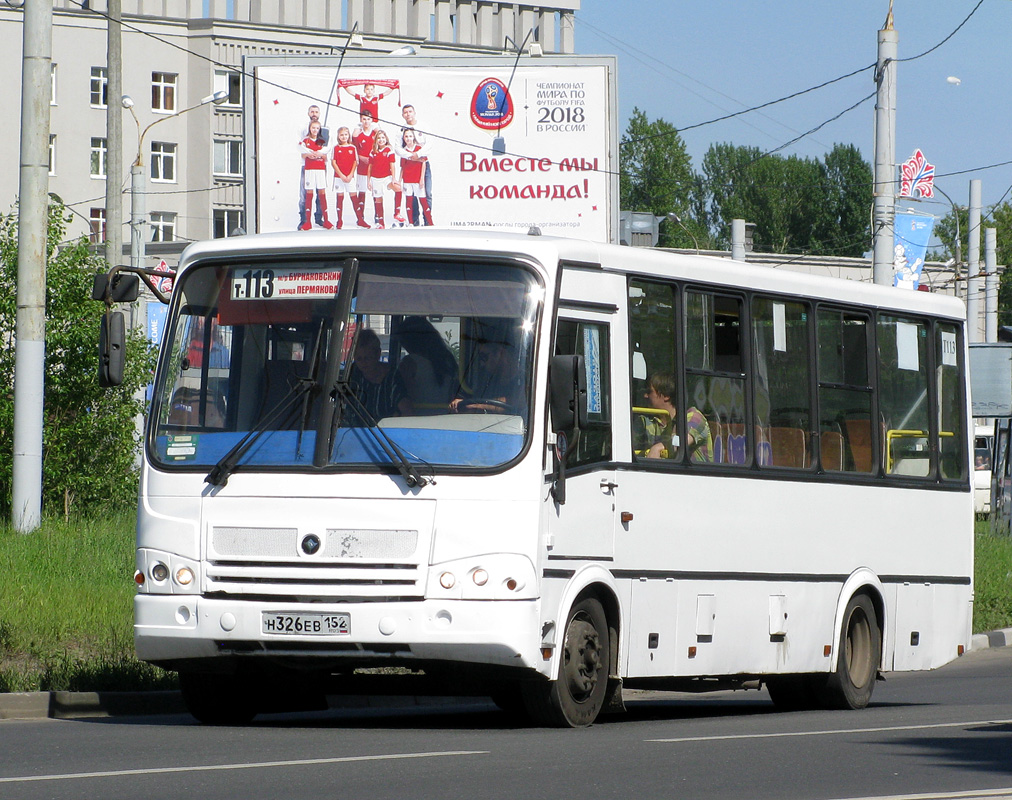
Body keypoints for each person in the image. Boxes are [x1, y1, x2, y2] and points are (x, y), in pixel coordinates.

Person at [394, 316, 457, 414]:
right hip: (445, 417)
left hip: (418, 418)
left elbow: (401, 395)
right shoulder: (448, 359)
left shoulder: (409, 362)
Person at [644, 372, 712, 462]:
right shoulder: (648, 421)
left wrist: (658, 448)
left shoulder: (694, 417)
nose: (645, 396)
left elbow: (680, 443)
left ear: (666, 396)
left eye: (649, 392)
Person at [347, 329, 412, 422]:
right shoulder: (353, 373)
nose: (363, 363)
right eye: (359, 359)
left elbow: (407, 412)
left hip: (384, 433)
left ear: (378, 354)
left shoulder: (392, 378)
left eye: (368, 358)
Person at [451, 338, 525, 415]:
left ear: (500, 353)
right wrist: (460, 406)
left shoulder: (527, 380)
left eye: (484, 357)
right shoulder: (485, 382)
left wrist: (475, 405)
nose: (482, 364)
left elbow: (517, 402)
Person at [397, 103, 432, 225]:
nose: (408, 114)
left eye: (410, 111)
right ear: (403, 115)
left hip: (423, 166)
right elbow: (398, 149)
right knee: (412, 197)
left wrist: (419, 153)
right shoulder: (400, 130)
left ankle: (428, 222)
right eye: (405, 112)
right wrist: (412, 156)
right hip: (409, 168)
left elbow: (430, 144)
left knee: (427, 193)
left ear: (414, 112)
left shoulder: (423, 126)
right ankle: (414, 222)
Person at [296, 105, 329, 228]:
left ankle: (319, 217)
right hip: (307, 165)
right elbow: (300, 145)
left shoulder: (324, 130)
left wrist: (320, 154)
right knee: (305, 193)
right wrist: (309, 154)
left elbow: (327, 147)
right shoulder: (303, 128)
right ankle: (304, 219)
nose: (314, 113)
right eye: (312, 111)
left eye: (316, 112)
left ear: (319, 114)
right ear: (308, 113)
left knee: (320, 191)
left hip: (320, 164)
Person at [351, 112, 377, 228]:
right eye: (364, 119)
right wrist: (361, 157)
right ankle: (360, 217)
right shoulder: (358, 135)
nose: (366, 121)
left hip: (374, 167)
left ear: (372, 120)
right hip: (362, 167)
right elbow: (353, 149)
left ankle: (378, 216)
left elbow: (382, 146)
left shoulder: (376, 134)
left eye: (368, 119)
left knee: (376, 192)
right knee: (362, 191)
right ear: (361, 120)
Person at [367, 129, 396, 229]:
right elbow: (370, 167)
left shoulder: (389, 149)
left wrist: (393, 178)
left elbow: (392, 165)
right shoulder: (373, 152)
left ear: (386, 139)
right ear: (376, 140)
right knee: (378, 199)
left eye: (383, 138)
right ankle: (381, 223)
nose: (381, 140)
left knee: (398, 188)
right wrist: (368, 181)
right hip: (375, 178)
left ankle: (397, 213)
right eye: (379, 138)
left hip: (386, 177)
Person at [330, 126, 357, 230]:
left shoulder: (352, 148)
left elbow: (355, 162)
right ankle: (339, 220)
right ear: (338, 136)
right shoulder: (336, 148)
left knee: (354, 196)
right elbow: (333, 162)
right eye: (341, 135)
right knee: (339, 197)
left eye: (346, 134)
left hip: (350, 177)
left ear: (348, 135)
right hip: (339, 177)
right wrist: (341, 175)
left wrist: (350, 174)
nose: (344, 136)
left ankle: (359, 219)